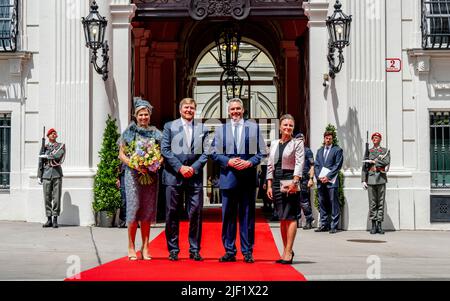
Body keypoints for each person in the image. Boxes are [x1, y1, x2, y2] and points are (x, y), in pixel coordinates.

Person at [211, 98, 265, 263]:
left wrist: (250, 162)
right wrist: (228, 161)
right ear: (228, 111)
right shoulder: (221, 130)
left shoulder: (253, 128)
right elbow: (213, 153)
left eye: (238, 109)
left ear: (243, 110)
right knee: (228, 216)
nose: (235, 112)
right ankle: (229, 251)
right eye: (232, 109)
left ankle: (247, 251)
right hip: (228, 179)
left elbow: (262, 152)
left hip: (247, 179)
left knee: (247, 216)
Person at [161, 98, 208, 261]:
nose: (189, 110)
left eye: (192, 108)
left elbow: (206, 152)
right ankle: (173, 249)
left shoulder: (203, 128)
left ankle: (194, 249)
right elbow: (165, 150)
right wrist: (180, 167)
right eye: (186, 107)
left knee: (195, 213)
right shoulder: (169, 126)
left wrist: (193, 168)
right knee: (172, 213)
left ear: (195, 110)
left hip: (194, 177)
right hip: (173, 176)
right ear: (180, 110)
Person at [118, 97, 162, 260]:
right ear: (136, 116)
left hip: (150, 176)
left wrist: (155, 163)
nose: (143, 117)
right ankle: (131, 246)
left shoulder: (156, 133)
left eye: (146, 114)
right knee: (133, 209)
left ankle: (145, 246)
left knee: (147, 211)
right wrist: (135, 164)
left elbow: (162, 153)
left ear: (149, 115)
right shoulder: (129, 132)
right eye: (140, 115)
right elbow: (121, 154)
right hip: (133, 175)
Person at [266, 115, 304, 264]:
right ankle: (286, 250)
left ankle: (288, 252)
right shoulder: (274, 143)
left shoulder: (297, 143)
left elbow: (300, 162)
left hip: (290, 179)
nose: (288, 128)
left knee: (291, 216)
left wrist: (295, 181)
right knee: (282, 217)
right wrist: (269, 184)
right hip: (276, 180)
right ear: (280, 127)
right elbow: (270, 165)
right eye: (285, 125)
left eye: (290, 125)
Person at [314, 131, 344, 234]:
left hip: (331, 181)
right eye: (326, 138)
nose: (328, 139)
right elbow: (316, 165)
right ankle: (324, 225)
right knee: (322, 202)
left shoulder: (337, 150)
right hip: (321, 181)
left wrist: (328, 177)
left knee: (333, 203)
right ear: (324, 139)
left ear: (332, 139)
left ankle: (334, 226)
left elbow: (337, 165)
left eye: (330, 138)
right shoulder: (319, 151)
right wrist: (319, 177)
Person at [361, 132, 390, 234]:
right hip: (371, 179)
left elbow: (386, 161)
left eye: (377, 137)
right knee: (372, 203)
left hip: (381, 178)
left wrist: (373, 162)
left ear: (380, 139)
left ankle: (379, 225)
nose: (375, 139)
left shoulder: (385, 151)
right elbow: (364, 166)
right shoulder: (369, 151)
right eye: (373, 138)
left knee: (380, 203)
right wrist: (363, 180)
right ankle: (373, 225)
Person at [38, 128, 66, 228]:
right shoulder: (44, 147)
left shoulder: (60, 146)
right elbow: (40, 162)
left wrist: (48, 156)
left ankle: (55, 219)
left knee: (56, 197)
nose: (53, 135)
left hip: (56, 174)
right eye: (51, 134)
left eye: (54, 134)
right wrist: (39, 175)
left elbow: (59, 155)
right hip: (46, 174)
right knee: (47, 198)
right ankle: (48, 219)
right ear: (48, 136)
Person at [294, 133, 315, 230]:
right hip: (295, 178)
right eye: (298, 139)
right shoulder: (293, 151)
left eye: (301, 139)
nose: (300, 141)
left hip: (304, 179)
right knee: (295, 200)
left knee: (304, 201)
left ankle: (309, 219)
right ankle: (297, 220)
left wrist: (311, 179)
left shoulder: (307, 151)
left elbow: (312, 166)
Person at [116, 163, 127, 228]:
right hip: (124, 172)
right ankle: (123, 220)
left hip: (138, 172)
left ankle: (136, 221)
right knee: (124, 197)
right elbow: (117, 162)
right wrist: (117, 178)